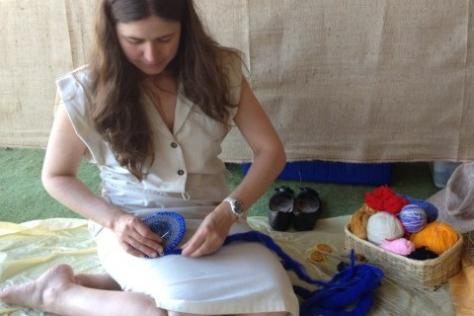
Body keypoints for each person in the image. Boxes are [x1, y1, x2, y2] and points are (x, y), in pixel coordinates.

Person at [0, 0, 299, 315]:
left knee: (276, 308)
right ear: (113, 34)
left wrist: (227, 213)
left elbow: (271, 152)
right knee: (169, 312)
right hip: (135, 227)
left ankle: (107, 284)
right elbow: (56, 176)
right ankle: (54, 294)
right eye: (135, 41)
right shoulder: (83, 90)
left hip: (214, 219)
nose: (152, 55)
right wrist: (115, 221)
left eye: (165, 39)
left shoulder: (221, 70)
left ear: (185, 27)